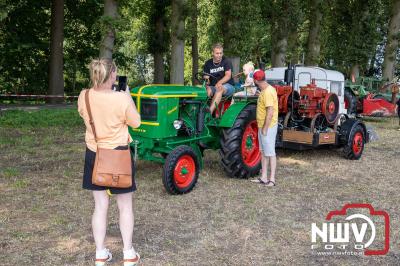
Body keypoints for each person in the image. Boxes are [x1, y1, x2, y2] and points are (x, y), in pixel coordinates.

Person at [77, 58, 141, 266]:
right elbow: (136, 122)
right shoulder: (121, 99)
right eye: (115, 73)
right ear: (111, 75)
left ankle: (100, 254)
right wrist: (129, 97)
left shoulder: (84, 96)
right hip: (119, 156)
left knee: (100, 205)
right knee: (125, 206)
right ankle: (128, 253)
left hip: (94, 154)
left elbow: (84, 116)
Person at [250, 69, 279, 187]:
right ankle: (264, 177)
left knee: (270, 152)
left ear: (256, 80)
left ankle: (272, 179)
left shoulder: (267, 92)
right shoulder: (264, 90)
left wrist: (266, 128)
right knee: (263, 152)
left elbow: (270, 112)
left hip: (268, 126)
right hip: (262, 125)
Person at [203, 43, 235, 115]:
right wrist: (207, 84)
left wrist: (219, 83)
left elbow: (228, 76)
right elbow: (206, 79)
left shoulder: (226, 61)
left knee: (219, 89)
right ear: (212, 53)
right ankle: (203, 110)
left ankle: (209, 113)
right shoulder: (208, 63)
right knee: (207, 90)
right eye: (217, 53)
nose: (219, 55)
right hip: (214, 86)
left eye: (221, 53)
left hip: (228, 86)